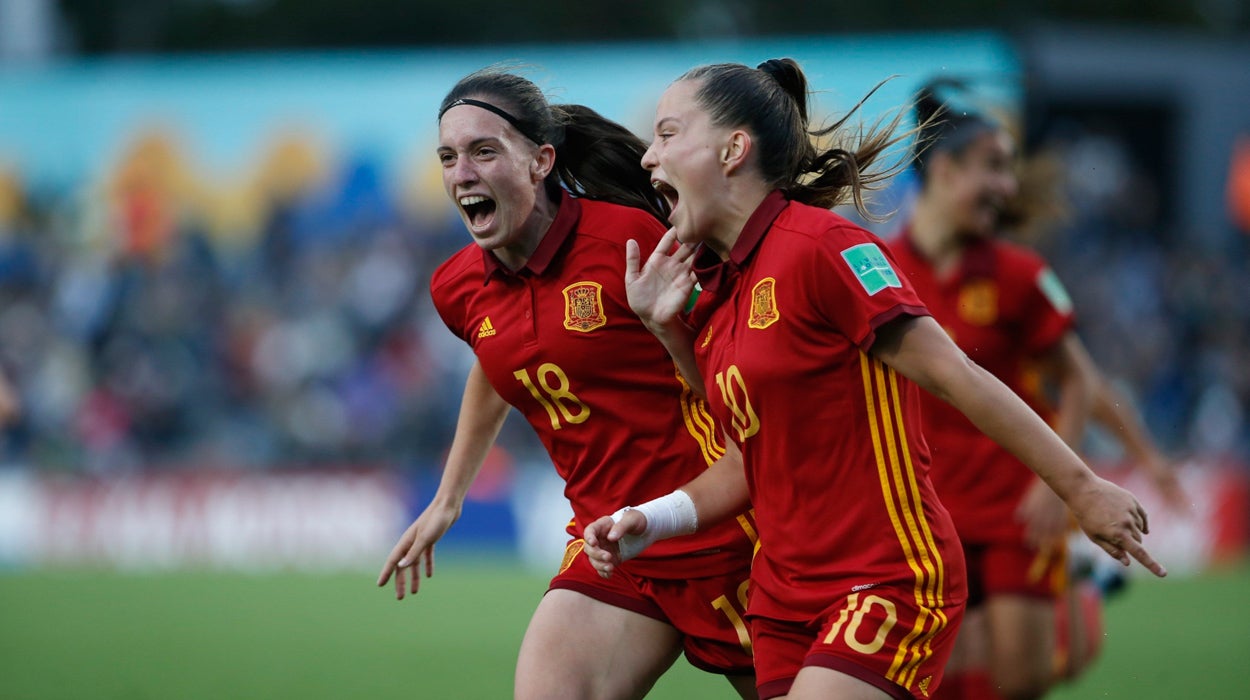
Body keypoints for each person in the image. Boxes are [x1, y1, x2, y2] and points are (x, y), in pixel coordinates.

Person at [581, 59, 1166, 700]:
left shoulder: (822, 246)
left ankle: (1074, 609)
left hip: (885, 577)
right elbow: (752, 458)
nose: (647, 158)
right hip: (779, 598)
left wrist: (1080, 488)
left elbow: (956, 375)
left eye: (667, 135)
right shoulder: (716, 295)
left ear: (733, 150)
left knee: (1017, 679)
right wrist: (653, 517)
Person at [374, 68, 760, 700]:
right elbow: (499, 364)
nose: (461, 173)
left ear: (540, 161)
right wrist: (449, 496)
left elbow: (733, 368)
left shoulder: (630, 240)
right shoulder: (456, 286)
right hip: (611, 547)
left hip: (724, 534)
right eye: (448, 157)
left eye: (484, 151)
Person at [885, 80, 1186, 699]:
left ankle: (1081, 603)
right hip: (927, 509)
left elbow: (1081, 380)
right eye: (993, 168)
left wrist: (1064, 484)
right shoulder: (880, 268)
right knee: (939, 682)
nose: (1008, 187)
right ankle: (1079, 599)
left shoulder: (1021, 275)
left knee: (1021, 680)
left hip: (1013, 505)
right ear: (944, 170)